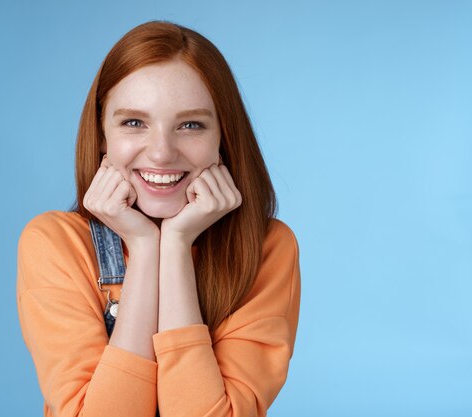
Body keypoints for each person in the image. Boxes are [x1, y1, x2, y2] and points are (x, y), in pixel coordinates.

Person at [17, 20, 301, 417]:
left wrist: (177, 244)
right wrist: (146, 248)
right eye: (134, 122)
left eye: (190, 125)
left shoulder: (266, 247)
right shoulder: (55, 243)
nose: (162, 153)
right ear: (102, 134)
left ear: (223, 136)